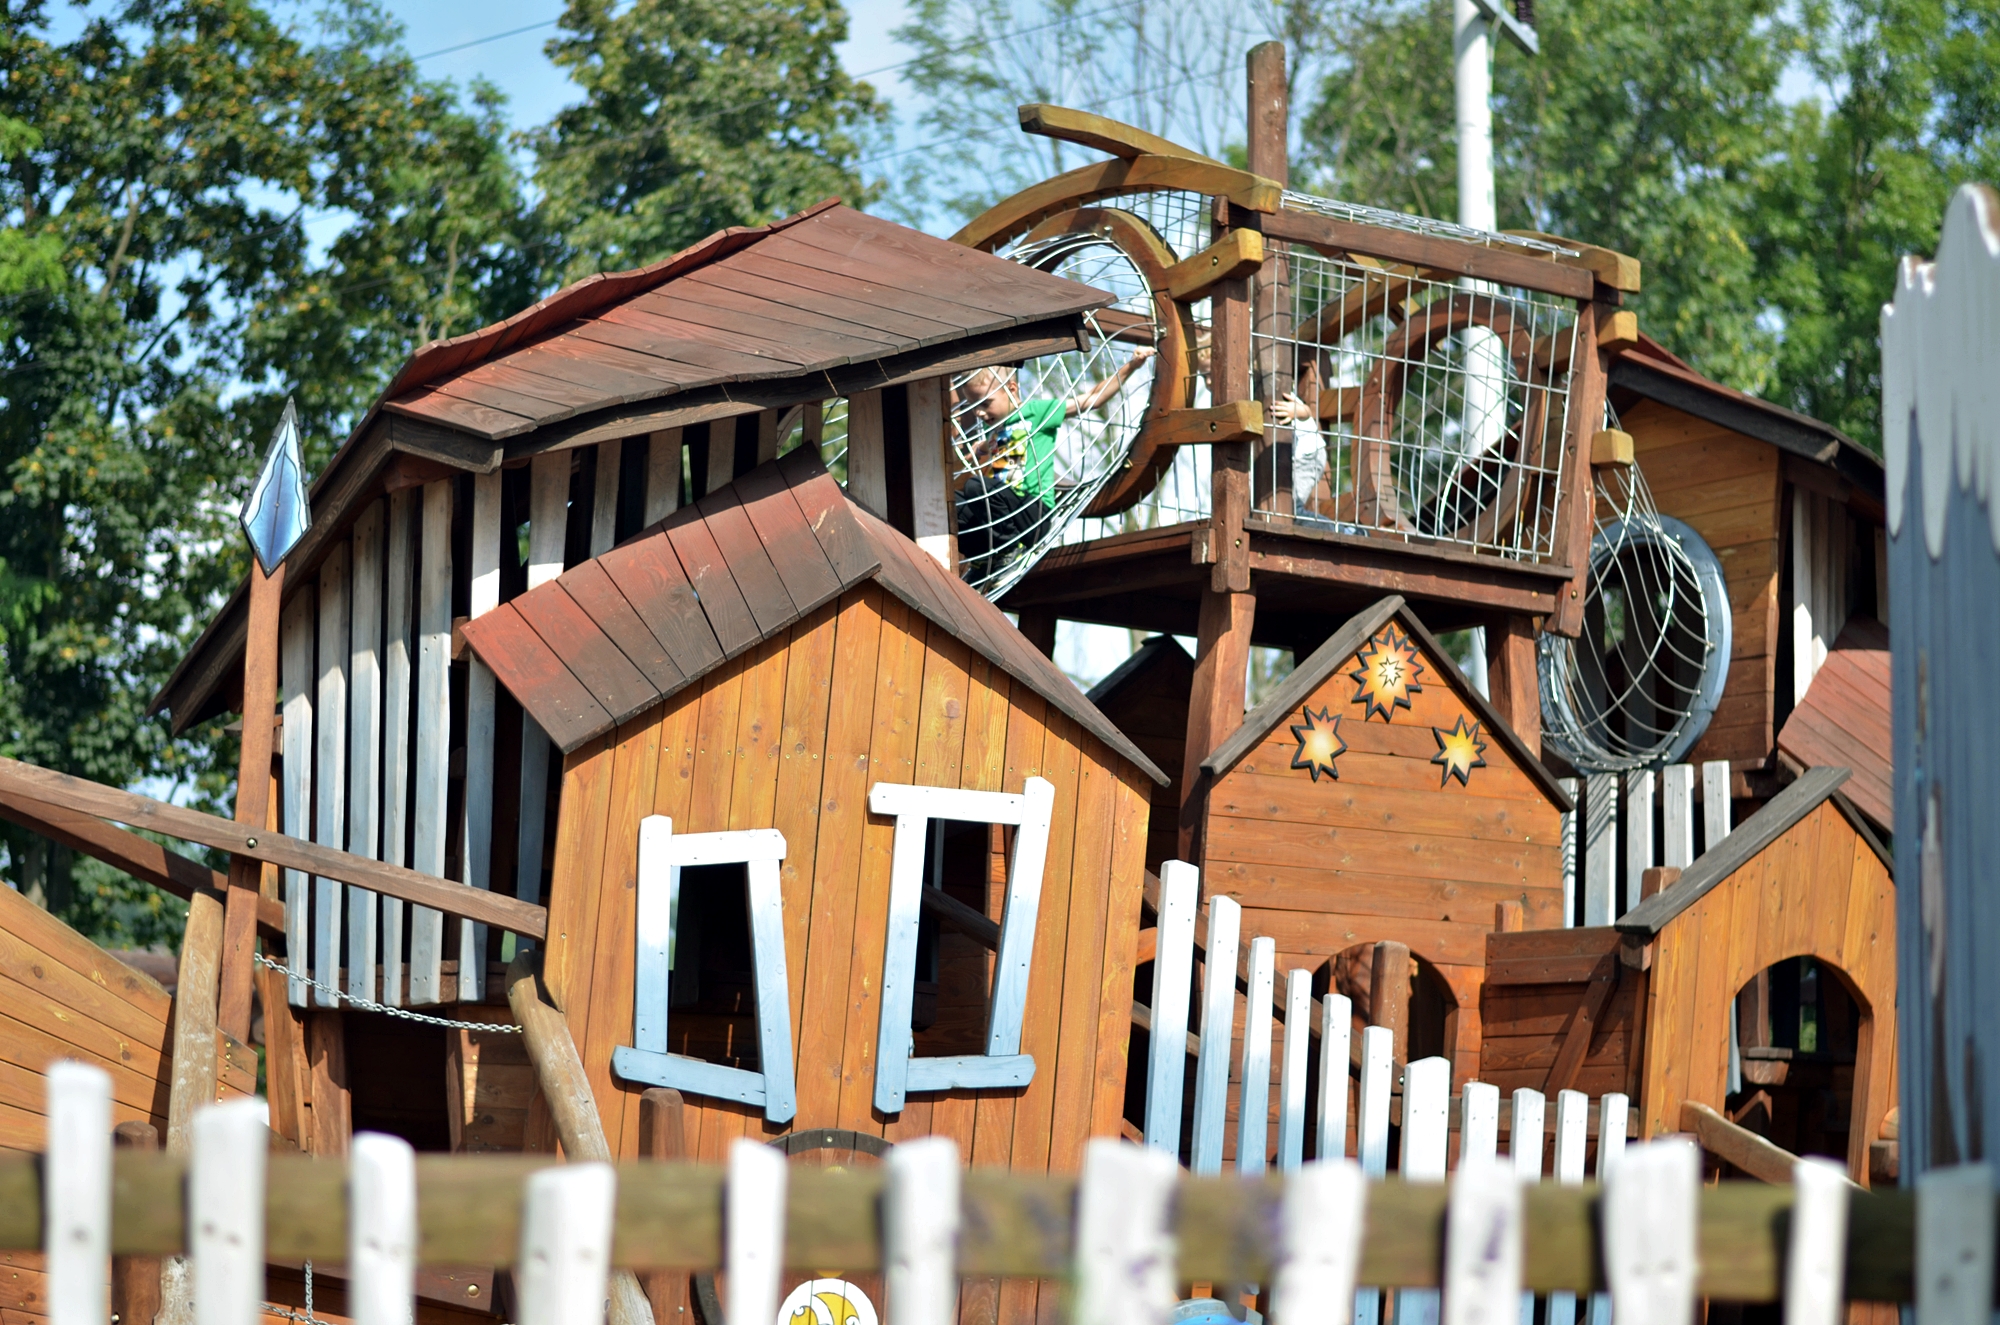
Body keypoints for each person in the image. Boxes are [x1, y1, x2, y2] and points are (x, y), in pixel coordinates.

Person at [955, 347, 1155, 579]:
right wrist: (977, 449)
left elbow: (1092, 399)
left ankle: (1009, 550)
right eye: (974, 406)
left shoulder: (1036, 413)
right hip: (1005, 512)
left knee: (975, 487)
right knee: (956, 503)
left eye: (985, 403)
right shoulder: (996, 429)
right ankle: (984, 555)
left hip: (1032, 511)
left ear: (1011, 390)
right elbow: (987, 445)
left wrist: (1132, 366)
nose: (979, 413)